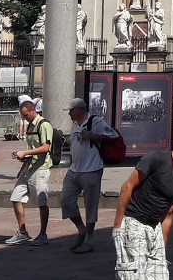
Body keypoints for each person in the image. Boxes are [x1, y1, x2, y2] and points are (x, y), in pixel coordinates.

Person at [112, 129, 173, 280]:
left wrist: (161, 246)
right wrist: (117, 226)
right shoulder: (156, 158)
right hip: (135, 222)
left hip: (154, 228)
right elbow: (127, 187)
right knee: (134, 275)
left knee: (159, 276)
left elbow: (168, 214)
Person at [63, 97, 118, 254]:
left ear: (80, 110)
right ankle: (81, 230)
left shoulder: (96, 121)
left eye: (71, 110)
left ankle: (89, 239)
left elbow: (113, 136)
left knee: (90, 205)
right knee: (66, 201)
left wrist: (95, 136)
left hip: (92, 170)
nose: (69, 114)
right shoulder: (74, 124)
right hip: (74, 169)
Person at [6, 99, 54, 246]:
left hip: (40, 169)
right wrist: (23, 165)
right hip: (29, 167)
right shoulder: (30, 126)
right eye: (22, 116)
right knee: (15, 197)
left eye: (25, 115)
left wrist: (25, 152)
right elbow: (32, 147)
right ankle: (22, 232)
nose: (24, 118)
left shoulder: (43, 125)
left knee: (41, 202)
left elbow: (46, 147)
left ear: (33, 110)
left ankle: (43, 234)